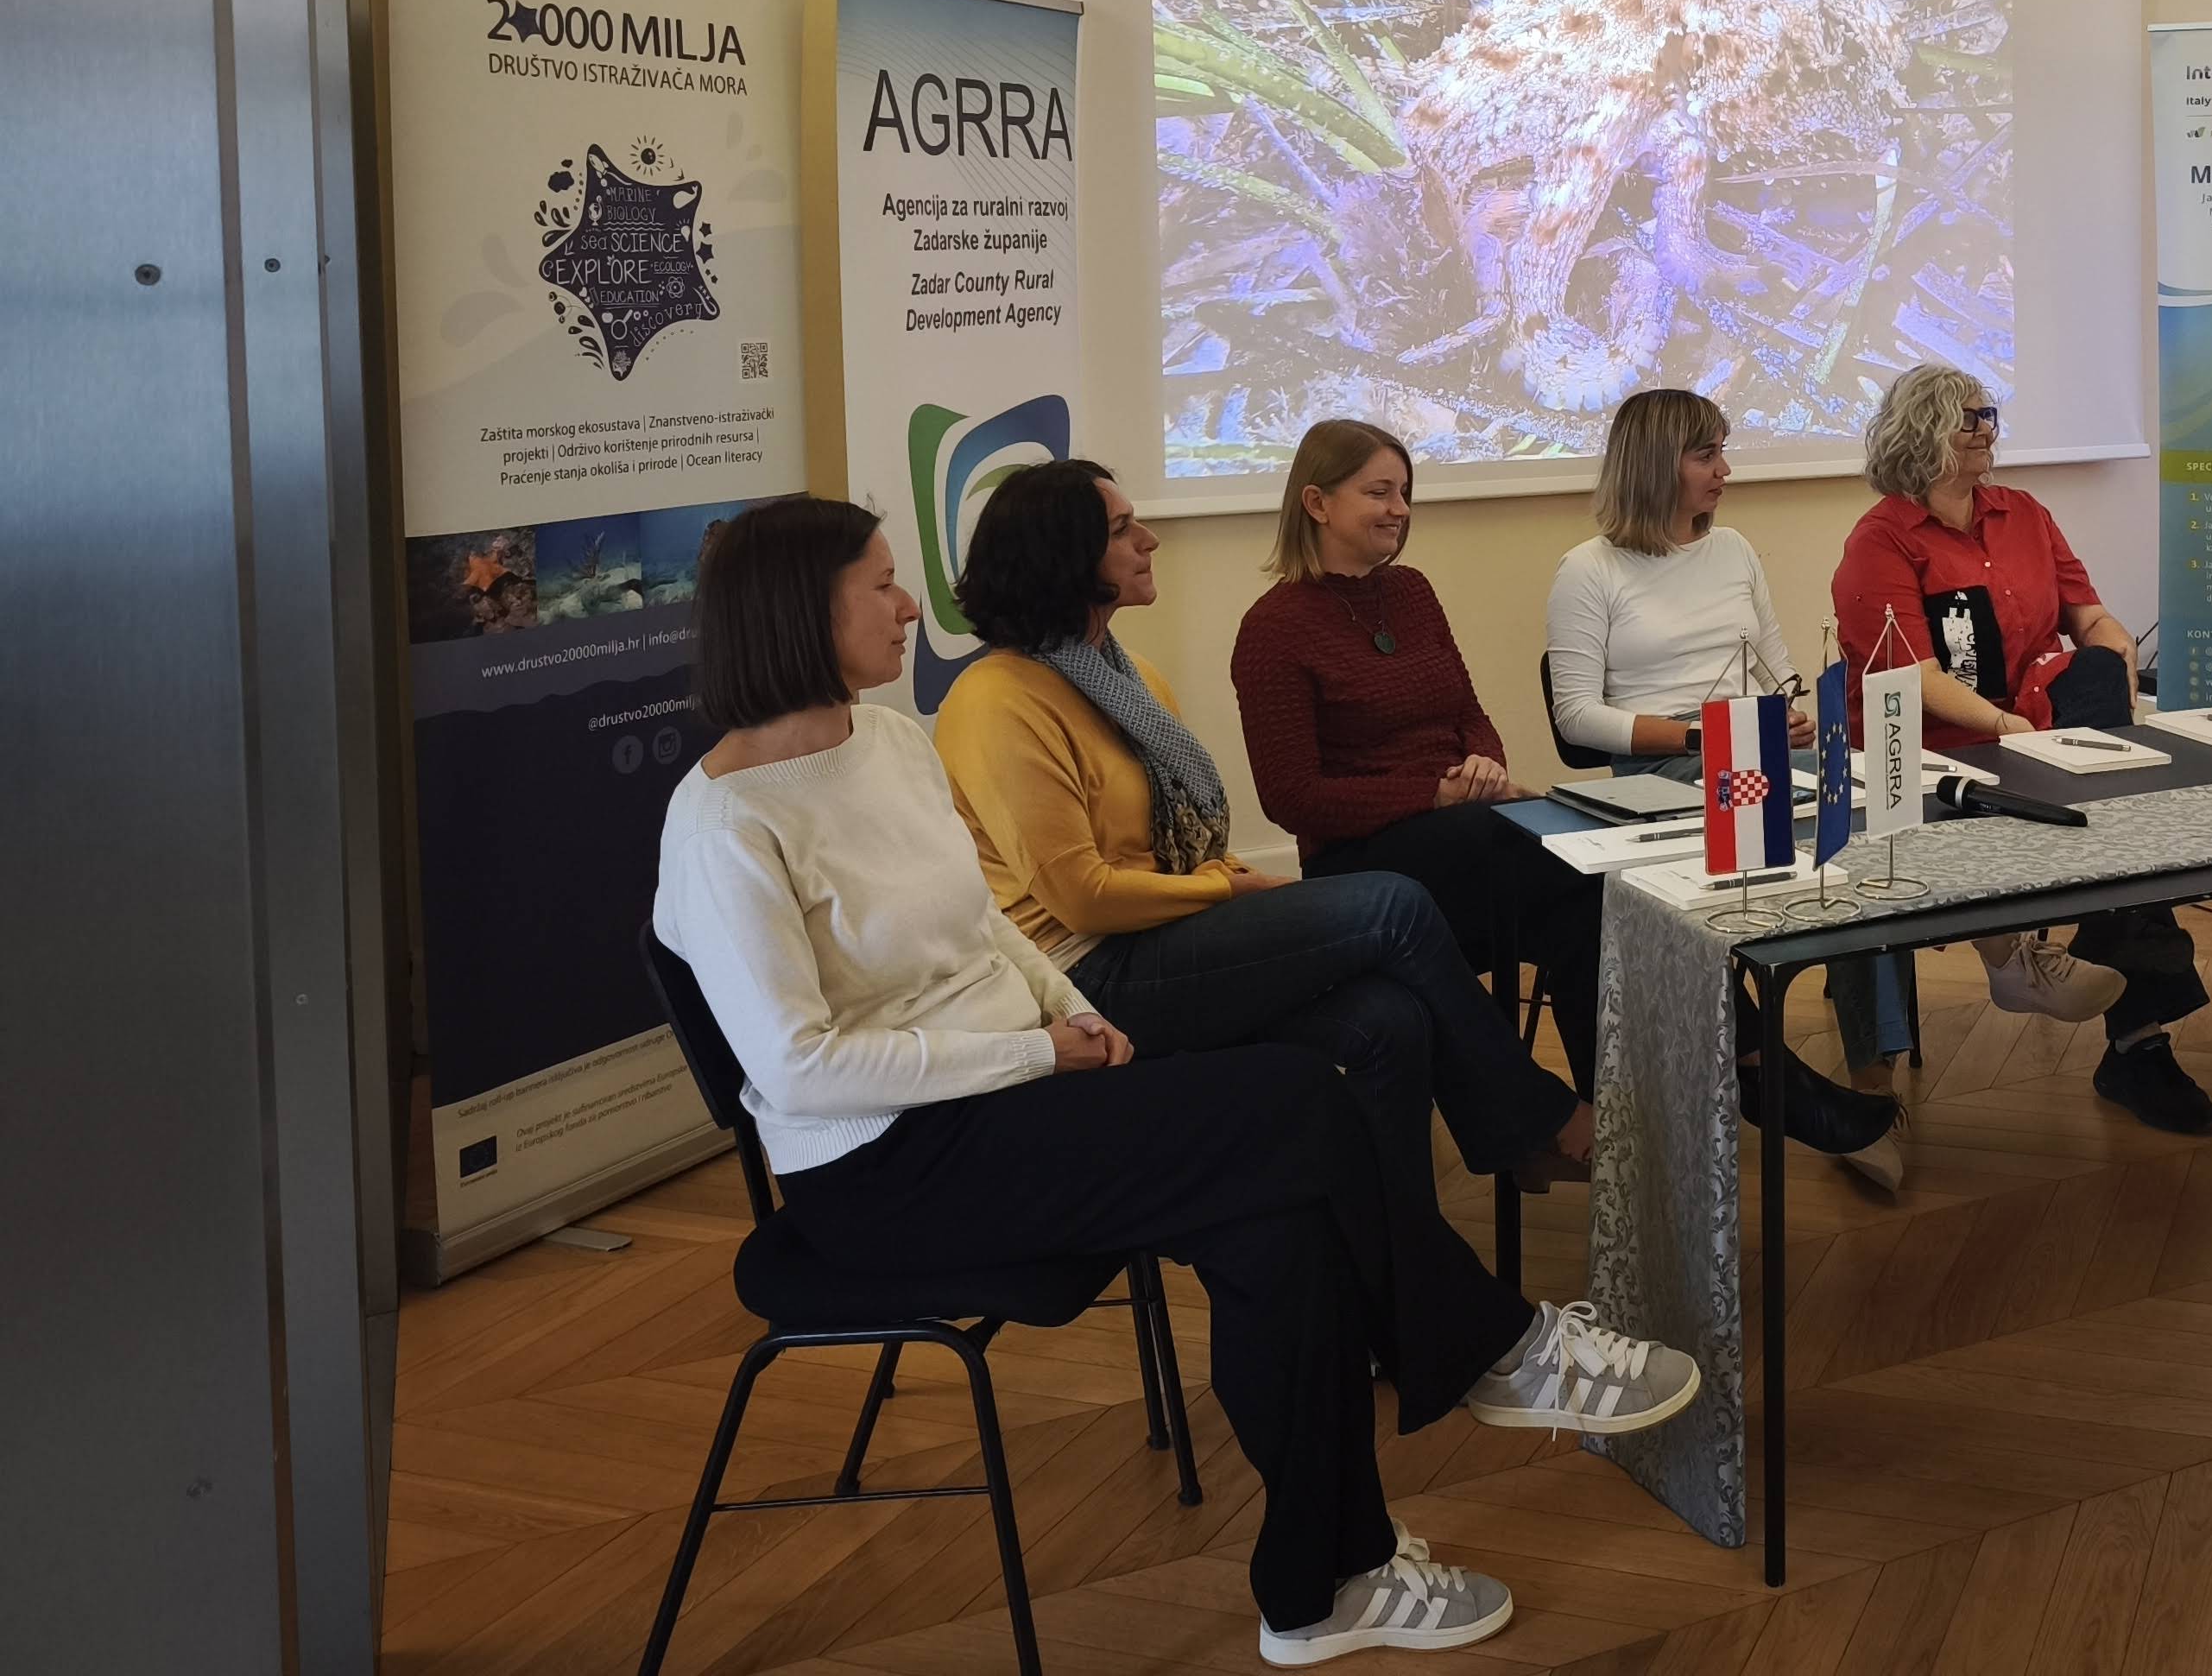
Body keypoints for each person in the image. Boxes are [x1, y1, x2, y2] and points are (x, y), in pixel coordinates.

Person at [650, 496, 1695, 1665]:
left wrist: (1069, 1010)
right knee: (1298, 1100)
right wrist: (1037, 1050)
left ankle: (1321, 1586)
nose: (907, 607)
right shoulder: (723, 829)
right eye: (880, 585)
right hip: (887, 1166)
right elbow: (801, 1071)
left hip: (1011, 1093)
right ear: (800, 612)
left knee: (1280, 1228)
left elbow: (981, 922)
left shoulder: (886, 741)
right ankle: (1490, 1347)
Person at [936, 457, 1598, 1267]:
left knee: (1389, 1019)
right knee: (1393, 904)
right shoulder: (997, 699)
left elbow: (1189, 847)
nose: (1150, 541)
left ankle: (1400, 1276)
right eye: (1122, 530)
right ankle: (1535, 1122)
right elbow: (1084, 899)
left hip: (1167, 936)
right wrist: (1232, 889)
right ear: (1060, 555)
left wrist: (1237, 886)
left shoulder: (1130, 678)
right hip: (1088, 974)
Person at [1230, 418, 1892, 1159]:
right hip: (1366, 865)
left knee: (1603, 903)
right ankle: (1757, 1069)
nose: (1399, 510)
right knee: (1583, 868)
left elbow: (1469, 715)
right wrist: (1436, 795)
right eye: (1378, 493)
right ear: (1316, 503)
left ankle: (1621, 1133)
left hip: (1463, 837)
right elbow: (1292, 798)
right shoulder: (1274, 628)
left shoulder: (1409, 593)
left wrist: (1483, 767)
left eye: (1405, 493)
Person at [1545, 387, 1931, 1189]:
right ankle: (1822, 1094)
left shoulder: (1735, 550)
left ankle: (1872, 1082)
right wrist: (1703, 737)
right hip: (1665, 768)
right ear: (1656, 465)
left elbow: (1775, 666)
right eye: (1706, 455)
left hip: (1752, 747)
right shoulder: (1588, 570)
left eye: (1723, 451)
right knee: (1827, 837)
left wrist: (1790, 711)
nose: (1725, 470)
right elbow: (1578, 716)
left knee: (1869, 825)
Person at [1830, 364, 2212, 1135]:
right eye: (1968, 418)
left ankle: (2120, 1010)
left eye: (1989, 414)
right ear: (1921, 432)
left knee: (2112, 761)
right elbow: (1913, 678)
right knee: (2118, 831)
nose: (1987, 430)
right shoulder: (1881, 541)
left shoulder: (2024, 513)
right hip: (1932, 752)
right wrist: (2008, 730)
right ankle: (2127, 1032)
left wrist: (2114, 652)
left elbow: (2088, 616)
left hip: (2039, 729)